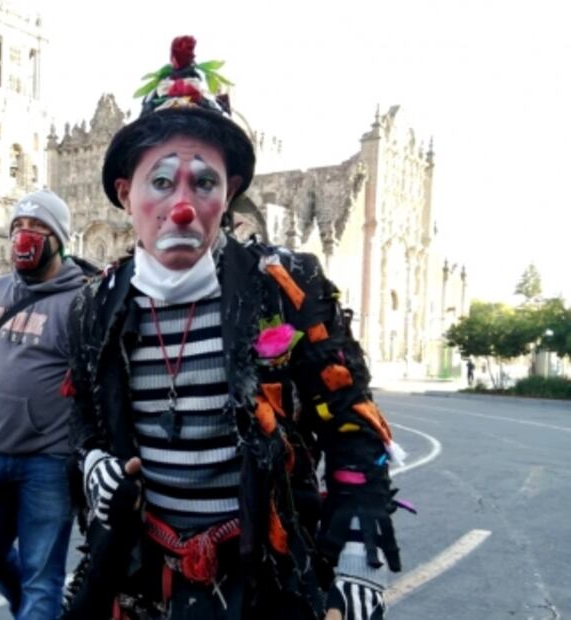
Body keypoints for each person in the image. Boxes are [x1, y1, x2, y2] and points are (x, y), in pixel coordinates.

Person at [63, 38, 406, 620]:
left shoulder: (286, 287)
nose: (182, 206)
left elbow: (354, 423)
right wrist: (94, 459)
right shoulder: (97, 303)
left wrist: (356, 552)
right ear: (126, 195)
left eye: (204, 183)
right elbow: (87, 415)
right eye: (161, 183)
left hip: (267, 580)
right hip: (147, 577)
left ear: (228, 194)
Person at [0, 189, 95, 619]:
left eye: (36, 228)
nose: (24, 237)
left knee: (42, 576)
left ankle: (37, 610)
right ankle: (31, 610)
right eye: (18, 228)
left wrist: (87, 456)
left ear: (59, 238)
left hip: (49, 462)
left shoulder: (83, 300)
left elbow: (95, 388)